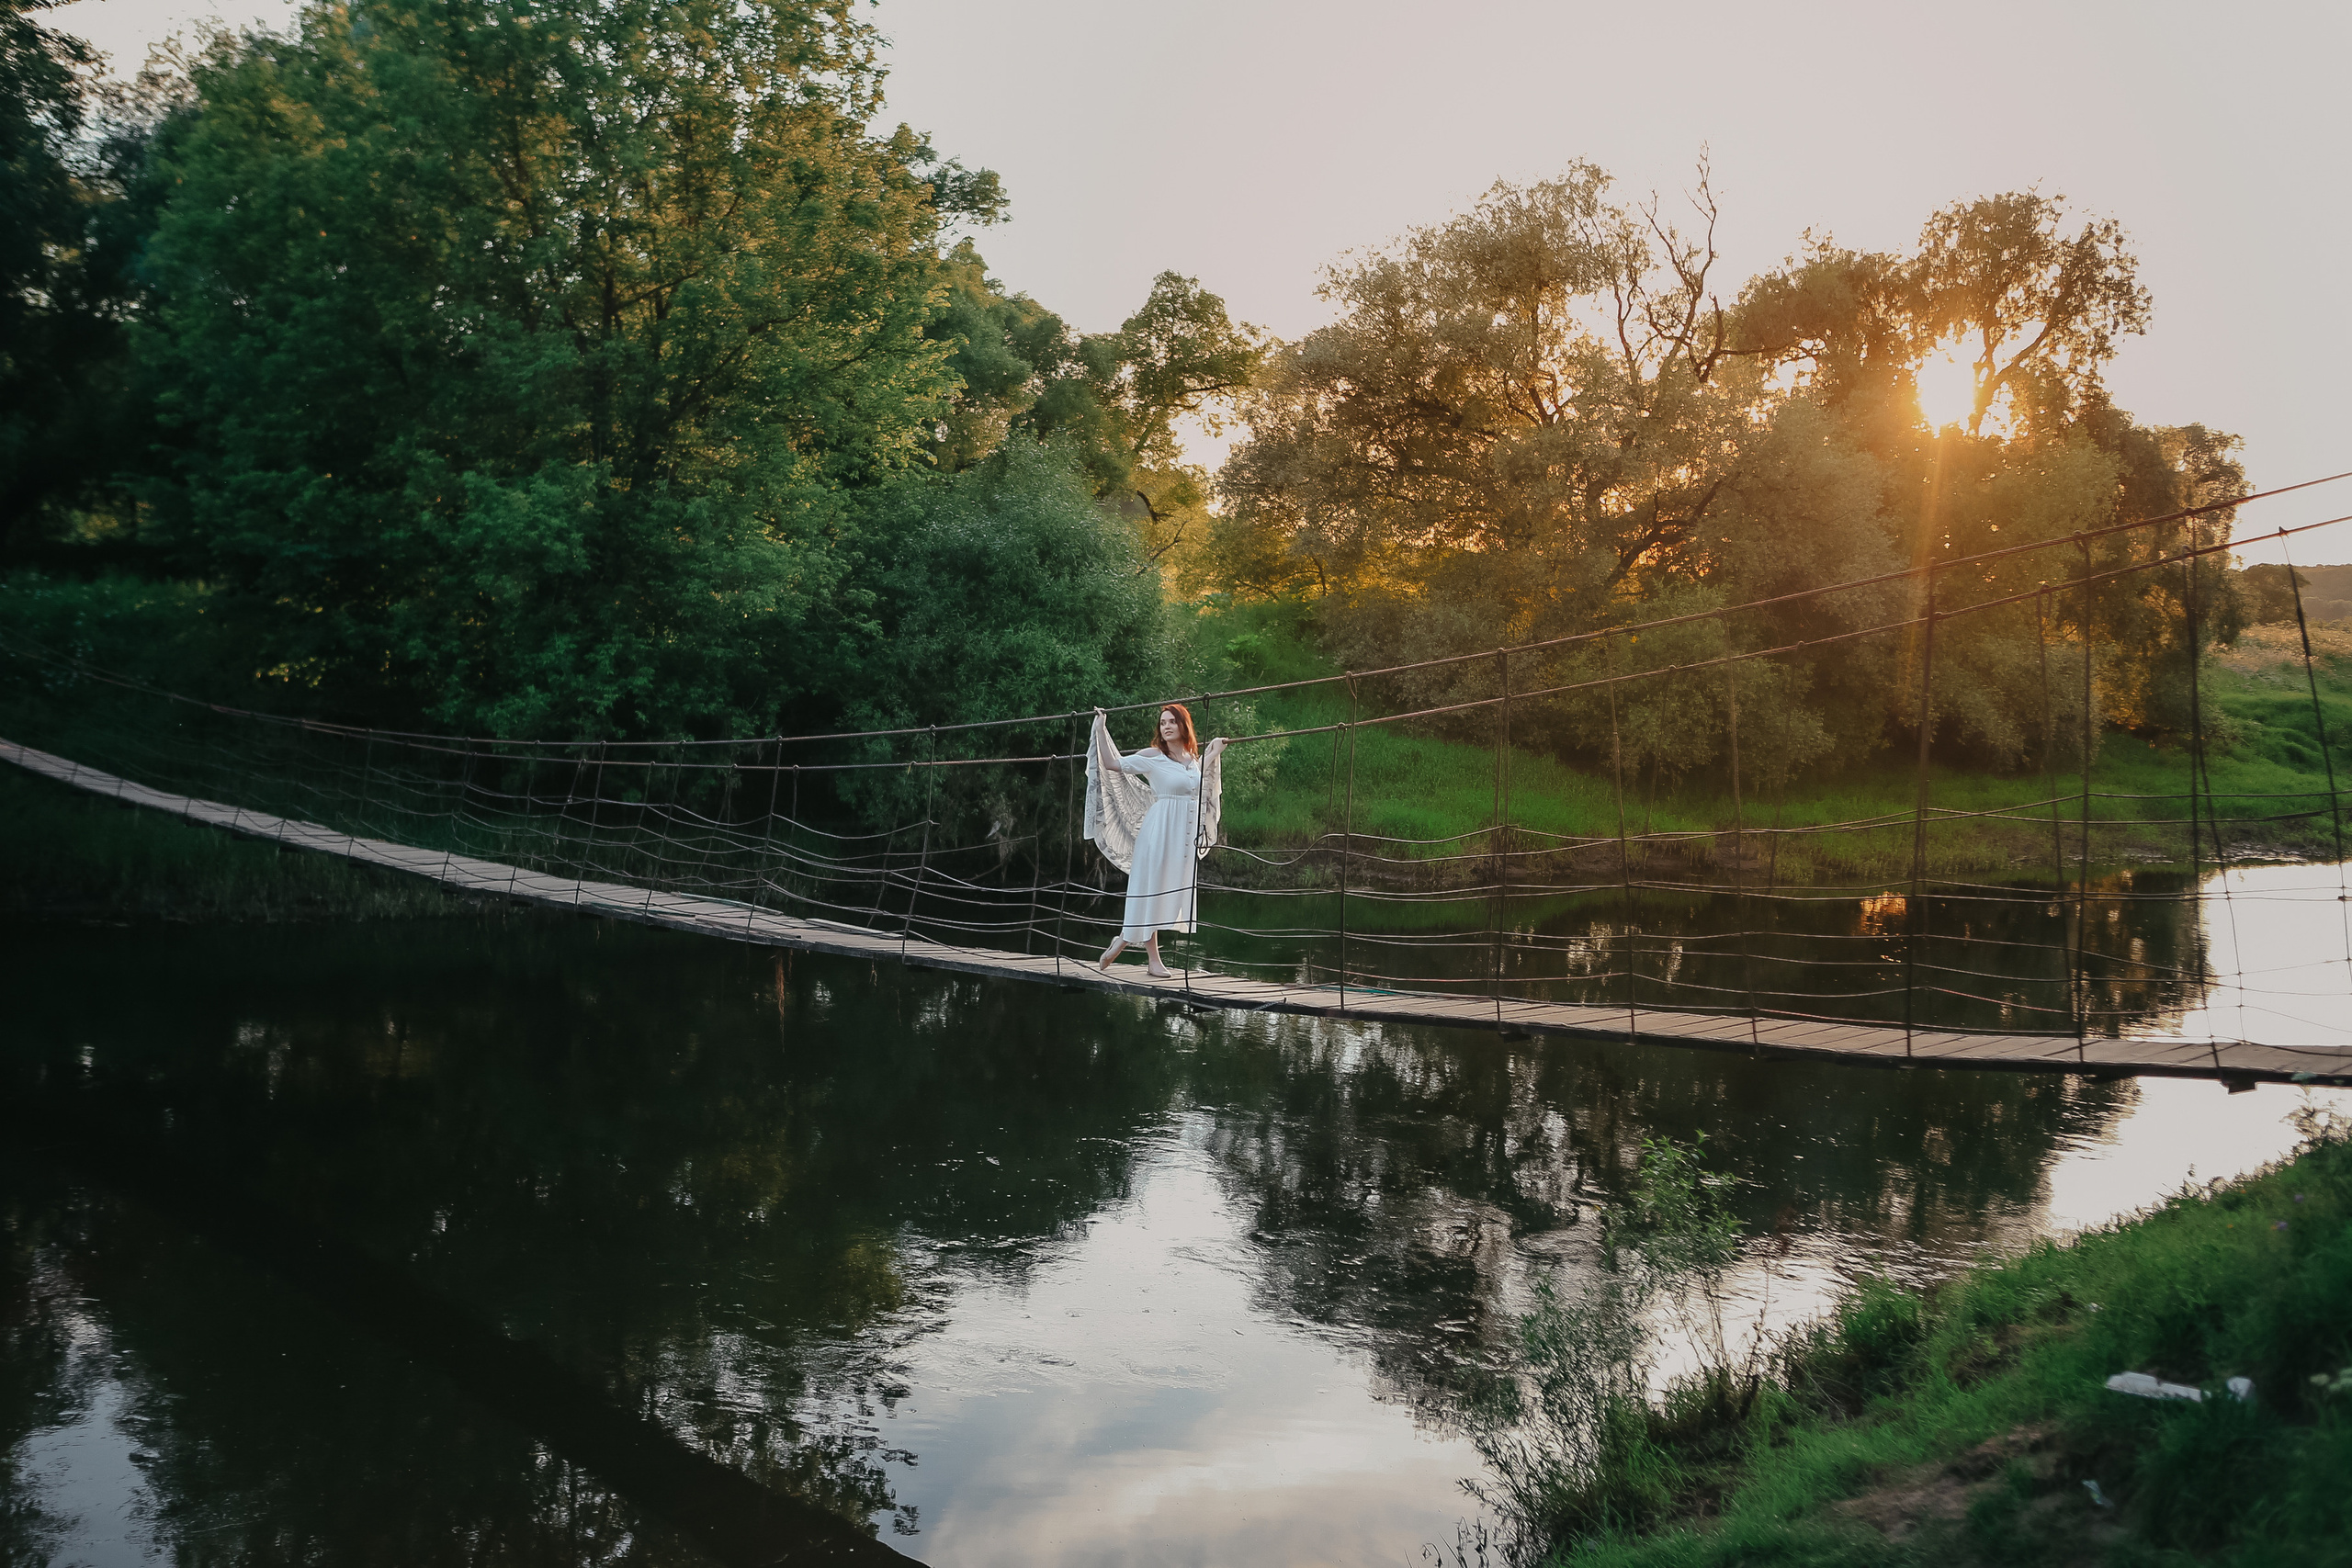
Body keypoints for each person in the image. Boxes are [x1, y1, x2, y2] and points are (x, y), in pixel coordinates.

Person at [1086, 703, 1227, 977]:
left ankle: (1125, 940)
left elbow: (1195, 780)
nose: (1166, 727)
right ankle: (1147, 956)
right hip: (1159, 833)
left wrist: (1213, 752)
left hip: (1182, 838)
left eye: (1172, 721)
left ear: (1183, 725)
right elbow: (1113, 764)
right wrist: (1101, 729)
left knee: (1169, 892)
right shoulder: (1153, 756)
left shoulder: (1191, 760)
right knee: (1152, 890)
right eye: (1163, 723)